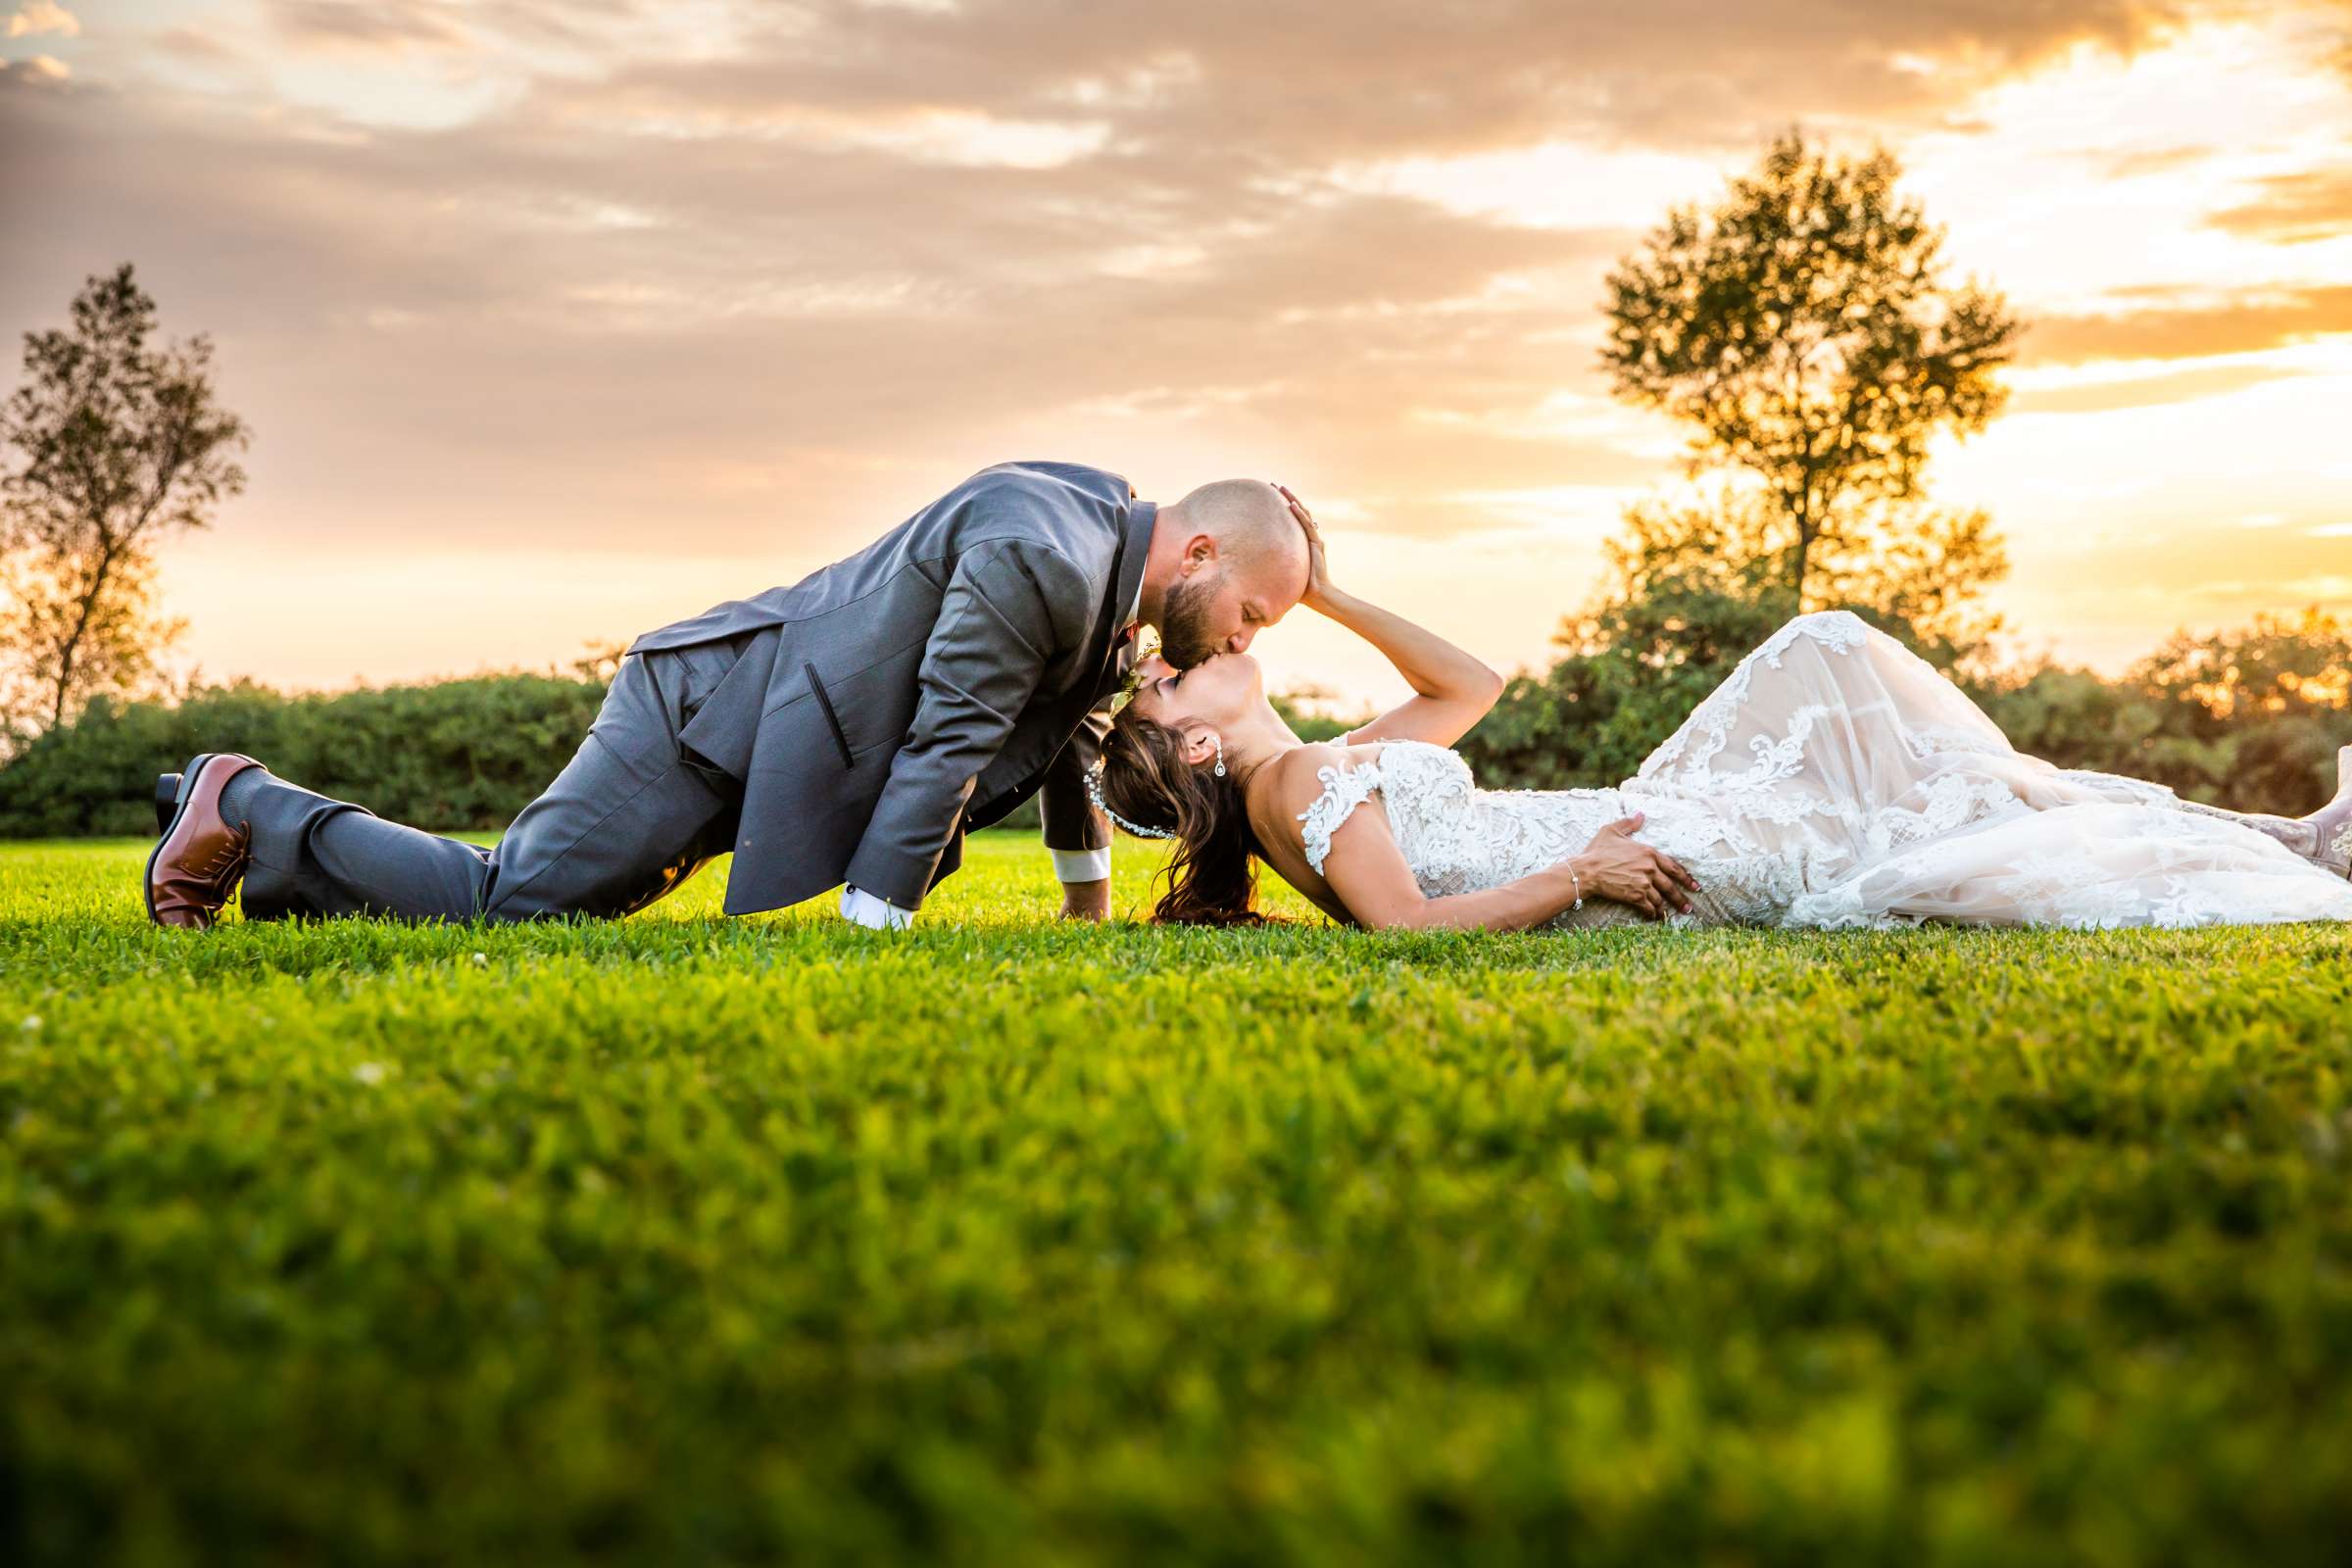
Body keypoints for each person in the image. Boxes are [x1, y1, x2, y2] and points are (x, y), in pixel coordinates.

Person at [1094, 488, 2352, 931]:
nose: (1195, 645)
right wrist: (1582, 874)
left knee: (1890, 735)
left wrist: (1321, 589)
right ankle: (2291, 845)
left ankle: (2288, 837)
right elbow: (1412, 926)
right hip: (1654, 850)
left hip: (1652, 820)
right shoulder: (1297, 788)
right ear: (1196, 737)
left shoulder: (1314, 772)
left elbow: (1469, 690)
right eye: (1169, 675)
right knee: (1875, 734)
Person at [143, 462, 1311, 931]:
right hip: (705, 713)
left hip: (763, 743)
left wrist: (1085, 911)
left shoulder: (1104, 549)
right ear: (1201, 551)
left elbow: (1061, 737)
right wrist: (874, 922)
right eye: (1255, 614)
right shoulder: (1045, 551)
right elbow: (948, 738)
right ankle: (245, 802)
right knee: (517, 907)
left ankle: (236, 820)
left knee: (548, 906)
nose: (1244, 641)